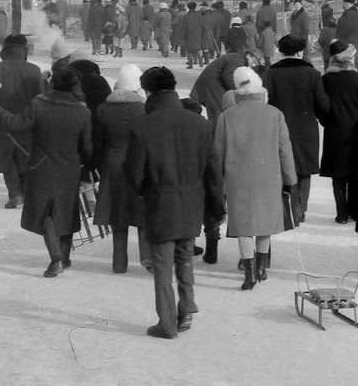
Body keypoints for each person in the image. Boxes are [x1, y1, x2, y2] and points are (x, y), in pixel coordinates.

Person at [125, 66, 212, 338]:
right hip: (192, 200)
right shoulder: (200, 123)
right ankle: (186, 308)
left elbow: (134, 172)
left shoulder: (143, 125)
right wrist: (215, 207)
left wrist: (145, 191)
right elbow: (213, 169)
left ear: (148, 91)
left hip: (160, 200)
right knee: (185, 257)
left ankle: (167, 322)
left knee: (162, 264)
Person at [0, 64, 92, 278]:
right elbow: (87, 147)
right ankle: (64, 255)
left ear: (53, 83)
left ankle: (56, 259)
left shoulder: (38, 104)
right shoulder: (83, 111)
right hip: (69, 168)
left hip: (41, 167)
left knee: (47, 213)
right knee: (65, 211)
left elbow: (15, 124)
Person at [211, 66, 298, 290]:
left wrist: (217, 181)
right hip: (269, 176)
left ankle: (249, 274)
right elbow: (284, 150)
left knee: (243, 225)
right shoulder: (275, 114)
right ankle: (262, 267)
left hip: (237, 177)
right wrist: (290, 178)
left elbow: (218, 153)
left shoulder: (226, 116)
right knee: (265, 223)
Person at [262, 35, 330, 225]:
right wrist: (325, 120)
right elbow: (323, 104)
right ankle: (301, 209)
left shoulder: (270, 74)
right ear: (300, 51)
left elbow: (265, 102)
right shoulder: (312, 74)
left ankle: (285, 208)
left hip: (277, 127)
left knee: (280, 167)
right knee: (304, 170)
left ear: (281, 51)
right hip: (305, 128)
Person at [93, 64, 150, 274]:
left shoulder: (103, 109)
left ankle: (119, 263)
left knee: (118, 216)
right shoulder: (144, 109)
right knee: (142, 213)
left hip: (112, 163)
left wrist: (99, 165)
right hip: (139, 165)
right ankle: (147, 257)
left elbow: (98, 142)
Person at [0, 33, 43, 209]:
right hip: (29, 122)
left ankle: (15, 194)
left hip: (3, 122)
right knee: (26, 156)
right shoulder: (34, 70)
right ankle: (26, 192)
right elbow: (41, 98)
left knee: (7, 159)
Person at [321, 40, 358, 225]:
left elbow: (322, 106)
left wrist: (326, 121)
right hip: (356, 132)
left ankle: (341, 214)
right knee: (355, 174)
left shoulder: (326, 80)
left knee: (338, 177)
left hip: (334, 131)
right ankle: (353, 210)